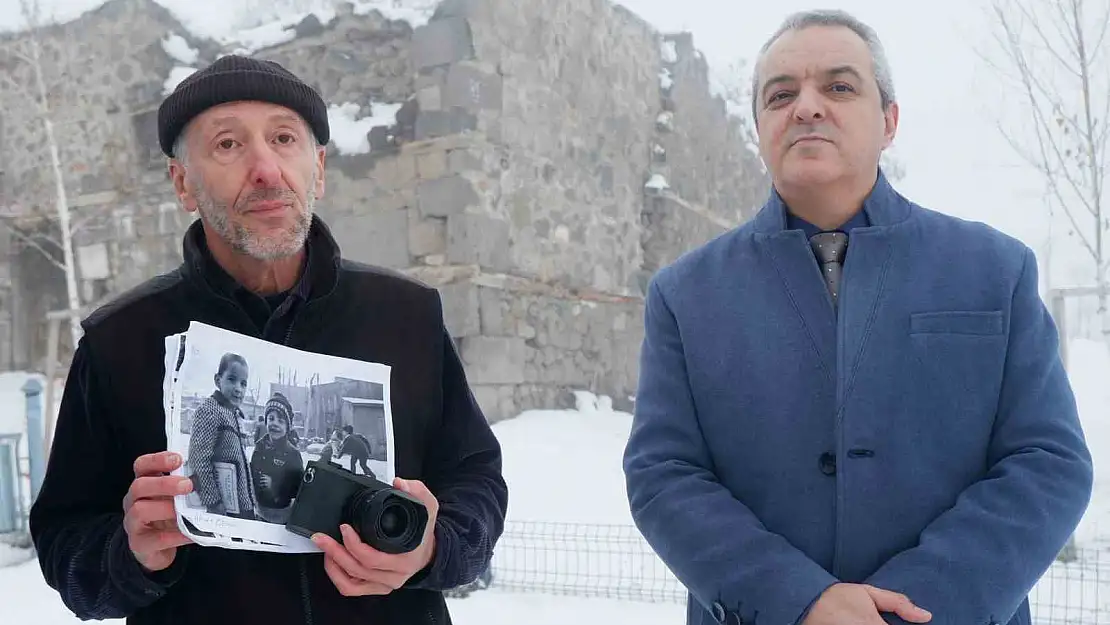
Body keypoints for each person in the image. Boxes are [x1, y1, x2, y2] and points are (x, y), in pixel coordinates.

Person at [623, 10, 1093, 625]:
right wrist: (798, 601)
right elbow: (665, 474)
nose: (807, 107)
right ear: (761, 126)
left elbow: (1047, 460)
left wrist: (918, 606)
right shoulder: (686, 294)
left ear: (889, 121)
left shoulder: (994, 271)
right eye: (781, 94)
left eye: (839, 87)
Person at [29, 54, 508, 625]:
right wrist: (130, 555)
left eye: (284, 138)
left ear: (319, 168)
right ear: (183, 182)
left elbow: (475, 480)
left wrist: (434, 549)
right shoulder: (120, 341)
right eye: (227, 145)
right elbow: (67, 547)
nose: (265, 169)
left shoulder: (407, 316)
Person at [186, 352, 257, 519]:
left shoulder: (233, 413)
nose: (238, 388)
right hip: (224, 510)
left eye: (243, 383)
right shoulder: (209, 410)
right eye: (232, 379)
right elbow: (198, 459)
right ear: (218, 380)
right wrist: (214, 502)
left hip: (243, 505)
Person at [250, 392, 304, 524]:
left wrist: (273, 485)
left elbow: (298, 488)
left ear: (287, 427)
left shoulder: (292, 453)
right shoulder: (259, 447)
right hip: (260, 511)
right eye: (271, 418)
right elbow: (252, 473)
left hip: (281, 514)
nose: (275, 424)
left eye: (280, 421)